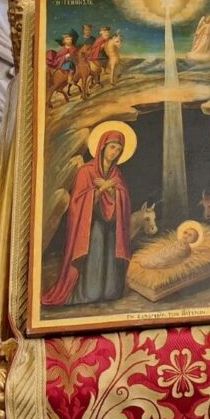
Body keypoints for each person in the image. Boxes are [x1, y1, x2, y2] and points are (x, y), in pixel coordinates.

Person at [42, 129, 133, 305]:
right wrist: (103, 189)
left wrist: (113, 191)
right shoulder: (86, 171)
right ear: (102, 147)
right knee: (95, 253)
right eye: (112, 147)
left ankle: (110, 291)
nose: (114, 152)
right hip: (90, 225)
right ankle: (89, 292)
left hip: (111, 225)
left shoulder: (116, 175)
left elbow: (124, 200)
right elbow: (77, 202)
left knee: (110, 265)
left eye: (118, 150)